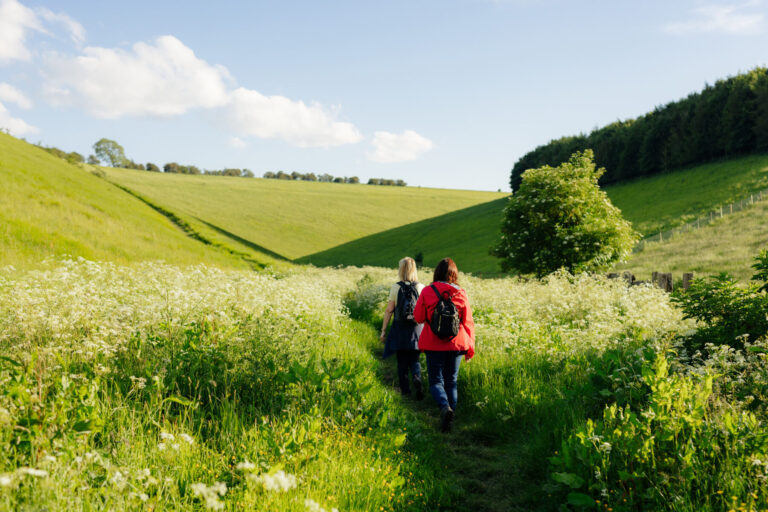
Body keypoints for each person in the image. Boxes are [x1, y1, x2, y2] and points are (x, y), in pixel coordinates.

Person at [413, 257, 475, 433]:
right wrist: (470, 348)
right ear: (454, 274)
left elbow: (418, 318)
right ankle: (450, 418)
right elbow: (468, 322)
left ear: (437, 272)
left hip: (433, 344)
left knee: (435, 381)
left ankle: (444, 408)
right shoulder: (461, 293)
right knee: (452, 382)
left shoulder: (427, 291)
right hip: (457, 344)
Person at [380, 257, 425, 399]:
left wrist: (383, 330)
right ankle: (417, 378)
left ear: (401, 270)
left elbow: (389, 310)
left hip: (400, 328)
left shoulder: (396, 287)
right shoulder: (421, 287)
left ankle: (405, 392)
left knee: (402, 362)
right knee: (415, 359)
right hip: (416, 329)